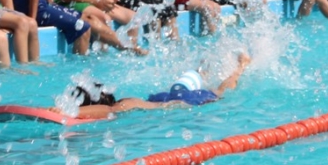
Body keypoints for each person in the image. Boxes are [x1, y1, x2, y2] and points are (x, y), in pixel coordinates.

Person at [69, 52, 250, 119]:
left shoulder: (122, 106)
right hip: (165, 98)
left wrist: (66, 112)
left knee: (220, 90)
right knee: (184, 86)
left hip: (184, 102)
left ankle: (240, 67)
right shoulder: (127, 103)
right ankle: (201, 72)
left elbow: (108, 111)